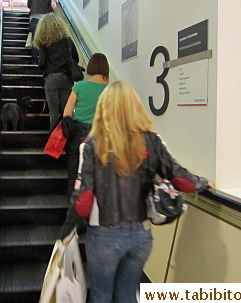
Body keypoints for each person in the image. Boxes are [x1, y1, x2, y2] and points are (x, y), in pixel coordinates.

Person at [59, 81, 211, 303]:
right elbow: (180, 178)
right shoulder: (152, 140)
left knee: (101, 295)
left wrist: (66, 231)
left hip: (104, 235)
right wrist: (203, 183)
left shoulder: (92, 145)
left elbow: (83, 199)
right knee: (128, 295)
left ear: (104, 108)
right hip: (141, 235)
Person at [63, 53, 109, 196]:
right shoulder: (110, 90)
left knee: (73, 171)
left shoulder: (80, 86)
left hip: (78, 132)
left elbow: (67, 113)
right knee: (97, 173)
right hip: (100, 135)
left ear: (90, 66)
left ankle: (73, 205)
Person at [35, 14, 79, 131]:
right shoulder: (68, 41)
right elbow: (76, 58)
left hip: (51, 80)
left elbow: (41, 64)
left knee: (54, 112)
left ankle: (55, 143)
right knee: (67, 111)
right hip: (66, 79)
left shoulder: (44, 44)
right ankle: (68, 140)